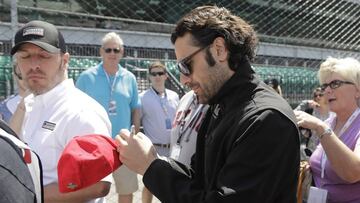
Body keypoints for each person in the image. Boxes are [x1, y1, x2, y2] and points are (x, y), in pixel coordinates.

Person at [116, 5, 300, 203]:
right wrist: (152, 160)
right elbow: (200, 180)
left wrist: (151, 167)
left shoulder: (266, 119)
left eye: (186, 65)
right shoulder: (221, 105)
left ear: (219, 50)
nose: (183, 79)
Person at [11, 20, 112, 203]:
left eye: (43, 56)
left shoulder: (82, 111)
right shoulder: (29, 105)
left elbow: (97, 185)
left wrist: (26, 196)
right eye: (25, 56)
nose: (34, 65)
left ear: (64, 61)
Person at [76, 32, 141, 203]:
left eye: (116, 50)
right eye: (108, 50)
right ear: (101, 52)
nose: (112, 53)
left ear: (122, 52)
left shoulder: (130, 78)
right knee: (91, 191)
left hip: (122, 144)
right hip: (94, 144)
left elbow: (136, 109)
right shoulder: (86, 78)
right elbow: (75, 108)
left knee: (126, 189)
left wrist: (135, 135)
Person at [294, 57, 360, 202]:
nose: (327, 91)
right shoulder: (330, 122)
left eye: (335, 83)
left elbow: (354, 172)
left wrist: (320, 127)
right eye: (325, 86)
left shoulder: (325, 126)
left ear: (357, 90)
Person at [139, 61, 179, 203]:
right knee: (150, 185)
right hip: (154, 149)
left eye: (160, 73)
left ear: (166, 76)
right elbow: (138, 123)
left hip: (174, 149)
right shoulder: (143, 97)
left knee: (172, 185)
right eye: (153, 74)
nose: (157, 76)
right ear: (149, 76)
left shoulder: (174, 96)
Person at [169, 90, 209, 166]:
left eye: (189, 76)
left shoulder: (214, 104)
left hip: (196, 175)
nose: (183, 81)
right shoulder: (185, 98)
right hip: (174, 171)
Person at [295, 87, 333, 160]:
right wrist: (305, 104)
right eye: (315, 95)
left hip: (328, 146)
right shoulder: (310, 109)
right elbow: (294, 114)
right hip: (313, 147)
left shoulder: (333, 110)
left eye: (320, 95)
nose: (318, 97)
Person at [0, 59, 27, 124]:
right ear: (14, 75)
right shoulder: (3, 108)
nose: (27, 79)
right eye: (21, 76)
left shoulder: (50, 102)